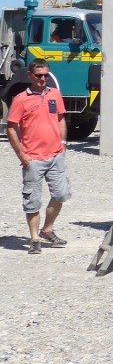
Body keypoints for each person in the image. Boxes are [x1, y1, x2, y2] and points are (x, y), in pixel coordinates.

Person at [5, 59, 71, 254]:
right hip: (33, 158)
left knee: (61, 194)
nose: (43, 79)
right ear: (30, 76)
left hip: (55, 156)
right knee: (32, 201)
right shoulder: (21, 99)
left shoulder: (55, 94)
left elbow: (60, 119)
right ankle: (34, 239)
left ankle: (47, 229)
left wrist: (63, 143)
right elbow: (11, 128)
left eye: (46, 75)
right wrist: (22, 155)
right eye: (39, 75)